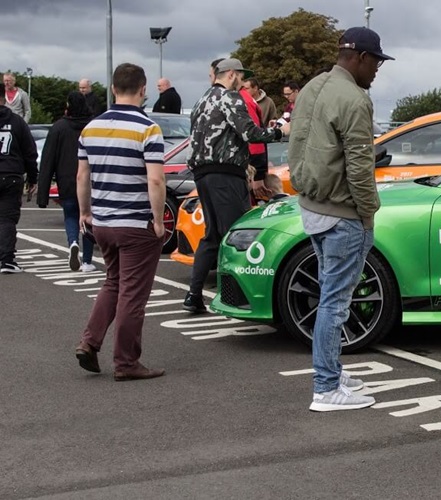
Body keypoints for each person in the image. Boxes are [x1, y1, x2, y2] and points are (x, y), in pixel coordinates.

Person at [287, 26, 392, 411]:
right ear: (361, 58)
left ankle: (329, 368)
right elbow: (361, 168)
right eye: (376, 61)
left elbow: (297, 144)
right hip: (342, 213)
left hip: (312, 205)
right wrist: (369, 214)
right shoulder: (355, 99)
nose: (378, 70)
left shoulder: (314, 86)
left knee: (329, 297)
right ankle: (327, 387)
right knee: (335, 302)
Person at [74, 62, 167, 380]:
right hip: (135, 223)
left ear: (113, 89)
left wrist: (86, 213)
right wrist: (158, 220)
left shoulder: (91, 128)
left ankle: (89, 342)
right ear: (143, 90)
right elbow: (155, 181)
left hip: (103, 222)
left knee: (113, 282)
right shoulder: (148, 129)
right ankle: (126, 363)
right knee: (133, 294)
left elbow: (82, 176)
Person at [183, 58, 287, 313]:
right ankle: (237, 296)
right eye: (240, 75)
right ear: (230, 74)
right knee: (236, 235)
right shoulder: (230, 98)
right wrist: (281, 132)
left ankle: (194, 295)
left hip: (202, 173)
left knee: (212, 235)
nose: (242, 80)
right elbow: (249, 132)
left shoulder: (201, 100)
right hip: (226, 173)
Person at [36, 91, 96, 272]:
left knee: (70, 215)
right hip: (90, 180)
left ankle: (72, 243)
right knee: (87, 218)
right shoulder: (92, 126)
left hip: (66, 180)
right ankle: (87, 261)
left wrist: (42, 193)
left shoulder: (59, 127)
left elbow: (48, 160)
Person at [0, 91, 38, 274]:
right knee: (7, 219)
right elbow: (30, 152)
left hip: (10, 173)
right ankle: (7, 260)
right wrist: (33, 178)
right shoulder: (16, 121)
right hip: (11, 174)